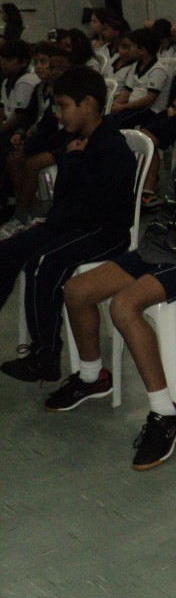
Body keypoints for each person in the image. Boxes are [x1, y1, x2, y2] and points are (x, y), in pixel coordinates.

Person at [54, 89, 176, 471]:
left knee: (124, 306)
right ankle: (93, 376)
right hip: (161, 250)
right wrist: (143, 253)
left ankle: (166, 412)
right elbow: (165, 215)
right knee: (77, 290)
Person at [0, 67, 135, 383]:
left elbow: (96, 207)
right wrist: (69, 159)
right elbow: (64, 198)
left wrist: (72, 162)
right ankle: (40, 351)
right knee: (8, 251)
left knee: (42, 263)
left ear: (88, 103)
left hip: (104, 232)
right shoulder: (76, 140)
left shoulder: (112, 147)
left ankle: (45, 356)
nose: (58, 115)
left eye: (63, 106)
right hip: (70, 223)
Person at [1, 43, 73, 236]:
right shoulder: (42, 88)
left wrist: (30, 145)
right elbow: (33, 118)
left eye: (46, 63)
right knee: (12, 159)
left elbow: (57, 129)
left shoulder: (67, 92)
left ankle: (22, 213)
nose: (52, 71)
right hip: (46, 140)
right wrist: (22, 134)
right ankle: (30, 210)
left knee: (33, 163)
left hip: (64, 142)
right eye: (52, 67)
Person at [110, 27, 176, 208]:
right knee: (109, 120)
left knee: (116, 127)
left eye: (132, 46)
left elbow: (149, 99)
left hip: (151, 112)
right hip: (132, 108)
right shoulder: (135, 67)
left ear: (142, 49)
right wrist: (113, 105)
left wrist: (123, 107)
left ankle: (147, 185)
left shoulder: (158, 69)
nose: (128, 49)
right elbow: (127, 92)